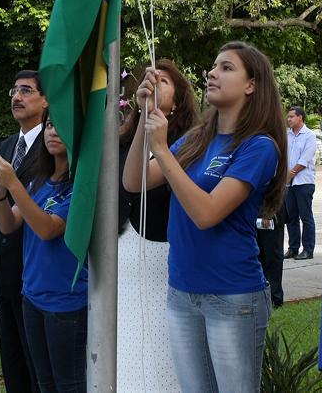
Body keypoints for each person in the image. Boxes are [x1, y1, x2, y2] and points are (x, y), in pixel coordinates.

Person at [123, 41, 288, 392]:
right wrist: (144, 116)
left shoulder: (258, 146)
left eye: (226, 68)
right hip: (182, 291)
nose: (212, 73)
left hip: (232, 296)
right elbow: (133, 181)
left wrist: (163, 150)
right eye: (213, 66)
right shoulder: (198, 138)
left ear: (251, 84)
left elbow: (206, 213)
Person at [0, 113, 88, 393]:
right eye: (50, 124)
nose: (53, 131)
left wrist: (14, 184)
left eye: (62, 124)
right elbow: (8, 225)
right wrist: (1, 192)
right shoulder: (40, 179)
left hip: (66, 301)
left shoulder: (81, 185)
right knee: (43, 383)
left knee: (68, 384)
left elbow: (47, 229)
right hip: (32, 295)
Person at [116, 59, 198, 392]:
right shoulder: (123, 139)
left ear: (177, 100)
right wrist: (141, 120)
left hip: (162, 255)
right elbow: (127, 183)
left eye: (162, 80)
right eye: (148, 79)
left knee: (160, 348)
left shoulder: (191, 142)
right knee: (128, 346)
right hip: (126, 255)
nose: (151, 83)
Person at [0, 70, 46, 392]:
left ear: (45, 100)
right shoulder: (8, 145)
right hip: (6, 265)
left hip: (35, 263)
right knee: (11, 357)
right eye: (14, 90)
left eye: (26, 91)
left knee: (34, 355)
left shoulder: (53, 146)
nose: (16, 97)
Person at [284, 106, 317, 260]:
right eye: (288, 117)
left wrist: (291, 174)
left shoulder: (309, 136)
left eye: (291, 116)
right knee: (291, 217)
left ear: (300, 117)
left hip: (304, 182)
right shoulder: (287, 135)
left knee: (306, 217)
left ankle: (308, 249)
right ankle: (293, 248)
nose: (288, 119)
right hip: (289, 183)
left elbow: (305, 159)